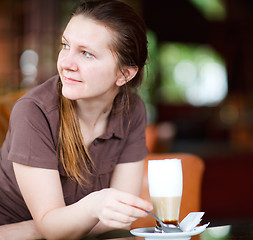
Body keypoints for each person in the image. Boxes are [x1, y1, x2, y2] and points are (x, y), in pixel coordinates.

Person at [0, 0, 153, 239]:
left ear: (124, 74)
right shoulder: (33, 111)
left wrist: (45, 228)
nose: (66, 64)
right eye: (65, 46)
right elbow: (53, 228)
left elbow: (122, 216)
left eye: (86, 53)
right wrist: (92, 208)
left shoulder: (132, 111)